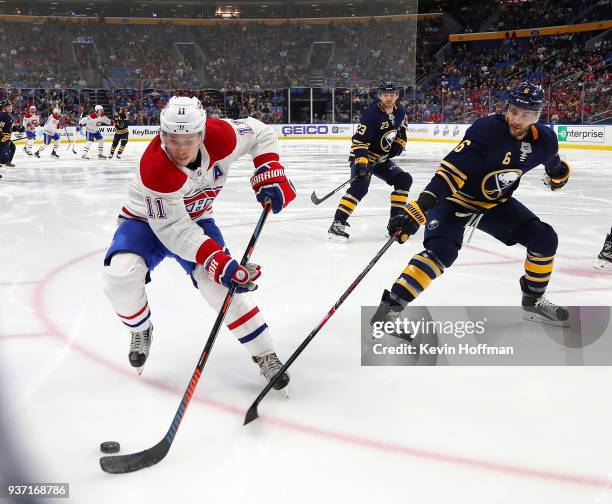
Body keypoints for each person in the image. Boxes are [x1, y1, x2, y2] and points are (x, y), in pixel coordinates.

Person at [101, 96, 296, 390]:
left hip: (196, 220)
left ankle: (265, 353)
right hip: (144, 222)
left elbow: (260, 131)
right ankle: (141, 329)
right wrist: (218, 260)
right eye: (172, 139)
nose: (180, 148)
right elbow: (171, 228)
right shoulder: (155, 167)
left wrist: (269, 168)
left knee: (219, 286)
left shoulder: (222, 136)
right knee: (120, 275)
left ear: (202, 134)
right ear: (161, 134)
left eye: (188, 140)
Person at [372, 82, 572, 328]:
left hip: (493, 204)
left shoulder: (545, 140)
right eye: (514, 110)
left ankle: (533, 302)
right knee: (442, 252)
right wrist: (420, 207)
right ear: (507, 108)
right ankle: (389, 310)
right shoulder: (488, 130)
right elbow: (451, 173)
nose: (517, 119)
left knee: (544, 238)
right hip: (454, 199)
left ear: (538, 115)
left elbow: (553, 163)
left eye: (527, 114)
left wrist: (559, 174)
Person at [328, 81, 412, 241]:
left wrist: (399, 145)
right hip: (364, 157)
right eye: (385, 95)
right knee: (360, 187)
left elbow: (402, 130)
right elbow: (359, 141)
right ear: (380, 96)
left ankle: (395, 222)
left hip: (381, 159)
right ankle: (337, 223)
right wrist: (361, 163)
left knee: (404, 180)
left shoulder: (400, 110)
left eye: (392, 95)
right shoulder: (372, 114)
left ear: (397, 96)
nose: (389, 98)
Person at [0, 99, 25, 176]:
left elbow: (9, 128)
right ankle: (5, 161)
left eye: (11, 106)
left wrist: (17, 128)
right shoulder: (2, 116)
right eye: (9, 106)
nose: (11, 107)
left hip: (5, 138)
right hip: (2, 139)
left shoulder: (8, 116)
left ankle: (7, 161)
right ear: (4, 107)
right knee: (2, 156)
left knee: (12, 147)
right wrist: (1, 137)